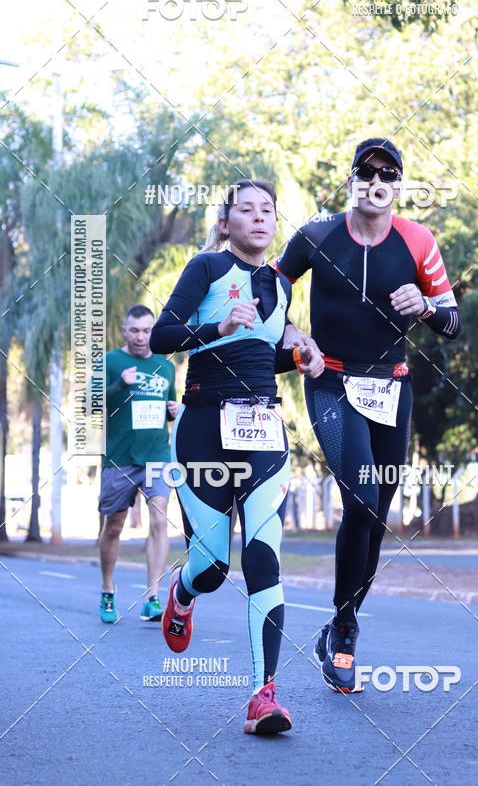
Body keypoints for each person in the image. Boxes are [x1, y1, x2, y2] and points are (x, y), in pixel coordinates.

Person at [276, 137, 462, 692]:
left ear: (399, 186)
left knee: (377, 514)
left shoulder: (418, 240)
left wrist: (425, 307)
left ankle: (341, 622)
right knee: (360, 495)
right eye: (366, 171)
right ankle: (346, 629)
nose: (376, 182)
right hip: (330, 380)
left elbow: (453, 322)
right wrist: (292, 333)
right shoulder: (316, 235)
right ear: (352, 179)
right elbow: (270, 290)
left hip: (391, 386)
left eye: (388, 174)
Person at [149, 179, 323, 735]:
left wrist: (301, 357)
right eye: (246, 210)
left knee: (263, 556)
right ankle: (183, 591)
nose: (259, 217)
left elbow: (260, 355)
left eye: (267, 210)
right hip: (202, 428)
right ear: (227, 223)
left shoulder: (280, 286)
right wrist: (218, 326)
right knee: (213, 566)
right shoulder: (206, 267)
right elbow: (161, 336)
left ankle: (262, 695)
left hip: (263, 429)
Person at [99, 305, 179, 624]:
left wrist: (175, 411)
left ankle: (152, 597)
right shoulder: (110, 362)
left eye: (146, 330)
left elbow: (168, 408)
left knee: (159, 520)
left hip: (158, 454)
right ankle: (108, 590)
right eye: (134, 330)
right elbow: (91, 404)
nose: (140, 337)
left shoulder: (165, 366)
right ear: (124, 331)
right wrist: (120, 384)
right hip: (120, 457)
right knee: (114, 526)